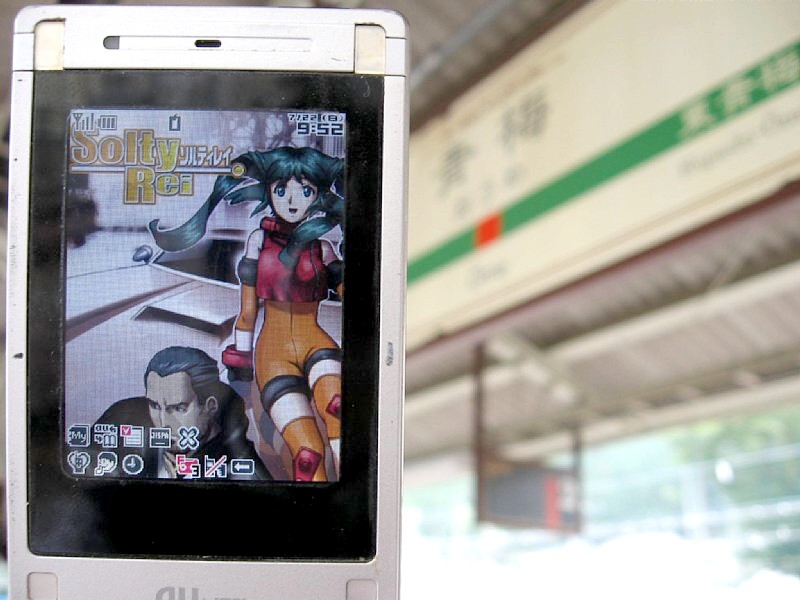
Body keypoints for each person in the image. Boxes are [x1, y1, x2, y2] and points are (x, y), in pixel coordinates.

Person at [149, 147, 344, 482]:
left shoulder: (322, 249)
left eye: (305, 191)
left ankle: (349, 486)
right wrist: (241, 363)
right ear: (268, 191)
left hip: (316, 344)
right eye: (281, 190)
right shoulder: (258, 241)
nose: (292, 200)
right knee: (307, 453)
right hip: (273, 356)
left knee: (336, 406)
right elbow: (248, 310)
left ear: (318, 195)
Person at [91, 346, 270, 480]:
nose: (163, 423)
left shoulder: (239, 467)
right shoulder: (121, 425)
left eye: (178, 408)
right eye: (154, 405)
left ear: (210, 407)